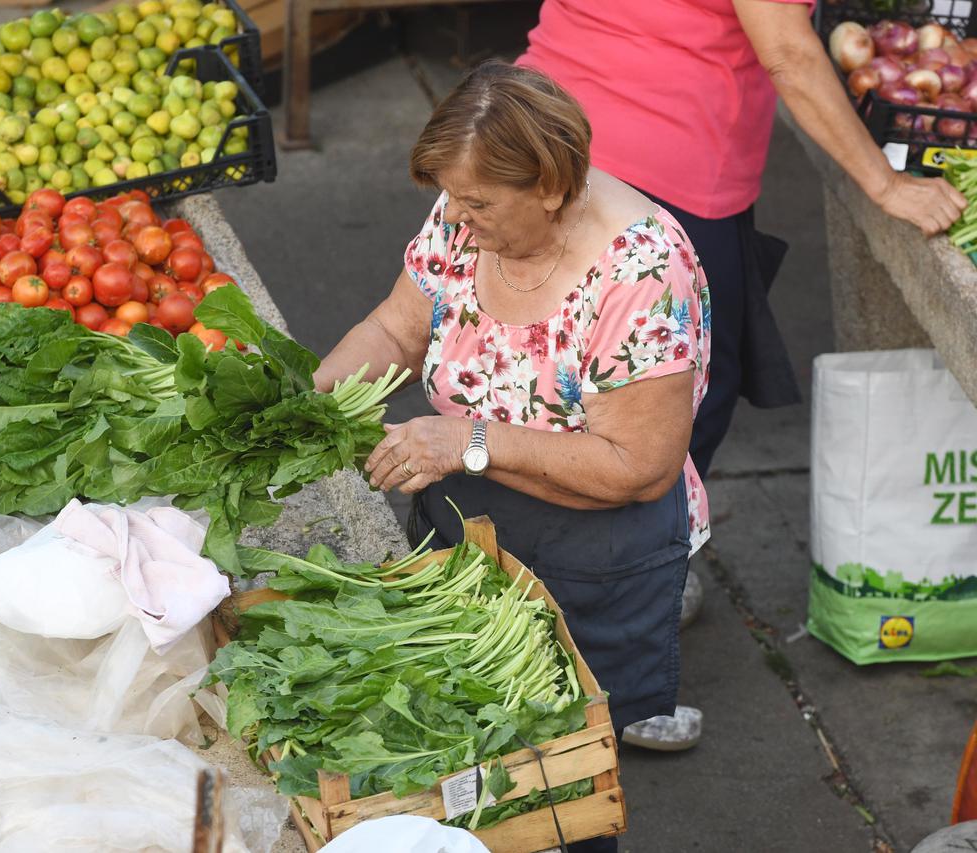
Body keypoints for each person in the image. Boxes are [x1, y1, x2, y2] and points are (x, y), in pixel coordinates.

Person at [516, 0, 968, 750]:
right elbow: (788, 51)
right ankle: (617, 680)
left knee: (552, 402)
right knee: (652, 432)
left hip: (545, 119)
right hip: (659, 166)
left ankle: (571, 629)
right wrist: (884, 186)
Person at [314, 61, 706, 853]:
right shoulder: (466, 213)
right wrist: (310, 400)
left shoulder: (640, 271)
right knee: (471, 756)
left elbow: (640, 466)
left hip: (594, 546)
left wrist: (468, 441)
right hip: (469, 524)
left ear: (552, 187)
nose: (457, 217)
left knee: (562, 780)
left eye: (479, 202)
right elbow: (397, 328)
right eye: (451, 197)